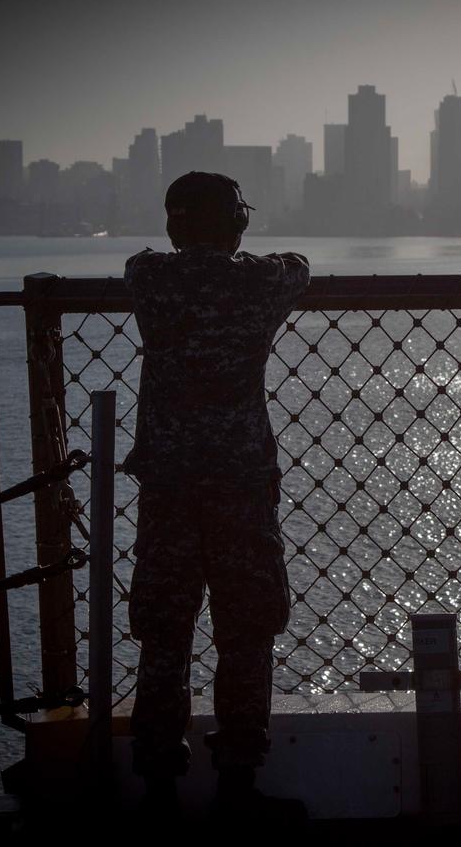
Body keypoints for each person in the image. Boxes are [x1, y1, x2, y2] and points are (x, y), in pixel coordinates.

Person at [121, 171, 310, 817]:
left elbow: (140, 262)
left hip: (169, 486)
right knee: (247, 631)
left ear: (173, 225)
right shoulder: (260, 281)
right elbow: (298, 266)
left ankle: (158, 787)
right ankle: (237, 783)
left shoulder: (150, 278)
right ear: (237, 224)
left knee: (164, 635)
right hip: (240, 485)